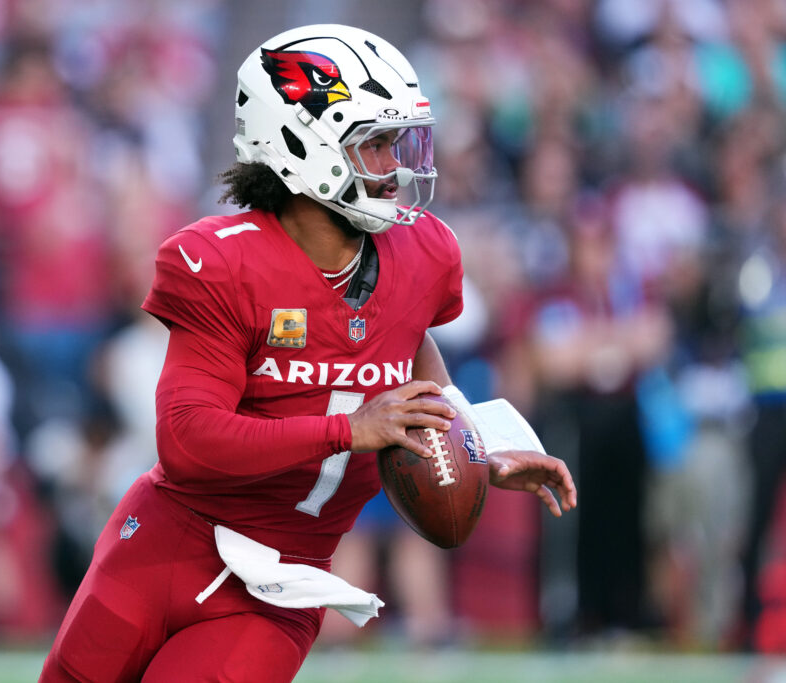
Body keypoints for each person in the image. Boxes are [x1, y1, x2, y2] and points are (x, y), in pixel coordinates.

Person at [39, 24, 576, 683]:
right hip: (163, 549)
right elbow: (186, 438)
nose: (397, 165)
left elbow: (404, 339)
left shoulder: (422, 254)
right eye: (374, 144)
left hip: (280, 586)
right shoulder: (221, 259)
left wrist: (476, 441)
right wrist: (349, 430)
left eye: (396, 142)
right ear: (302, 144)